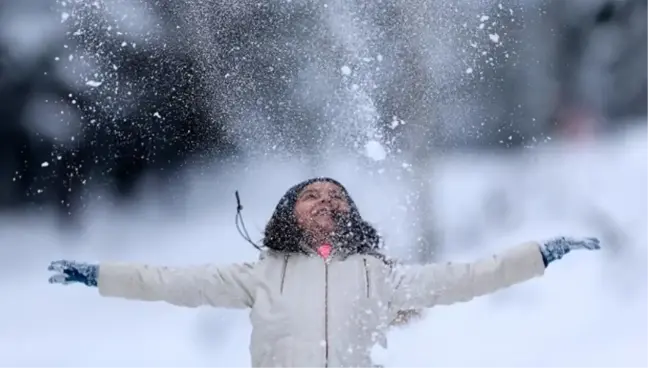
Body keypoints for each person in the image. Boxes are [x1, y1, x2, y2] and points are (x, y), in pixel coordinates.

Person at [48, 177, 600, 368]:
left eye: (336, 196)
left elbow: (468, 276)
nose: (324, 202)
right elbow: (166, 280)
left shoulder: (379, 276)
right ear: (288, 212)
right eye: (310, 195)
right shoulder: (260, 274)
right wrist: (98, 275)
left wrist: (539, 255)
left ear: (351, 215)